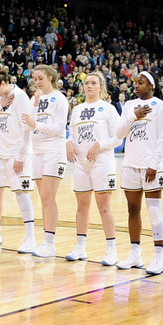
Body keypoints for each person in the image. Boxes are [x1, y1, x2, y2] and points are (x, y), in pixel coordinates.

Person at [113, 71, 163, 274]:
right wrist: (132, 116)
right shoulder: (129, 105)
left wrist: (155, 164)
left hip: (150, 165)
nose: (136, 85)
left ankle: (158, 257)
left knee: (153, 210)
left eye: (141, 82)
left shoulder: (160, 106)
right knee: (132, 210)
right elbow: (119, 134)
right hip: (130, 163)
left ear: (151, 85)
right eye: (135, 82)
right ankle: (135, 254)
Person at [64, 71, 122, 263]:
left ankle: (112, 250)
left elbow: (118, 137)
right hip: (81, 163)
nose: (88, 86)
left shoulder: (108, 109)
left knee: (103, 207)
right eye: (86, 83)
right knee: (82, 206)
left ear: (101, 87)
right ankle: (80, 247)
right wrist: (69, 143)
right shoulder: (78, 109)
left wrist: (99, 145)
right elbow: (72, 133)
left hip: (102, 163)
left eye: (93, 83)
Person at [0, 70, 35, 247]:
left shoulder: (20, 96)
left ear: (3, 84)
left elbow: (26, 128)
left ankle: (31, 238)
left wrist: (21, 156)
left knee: (21, 193)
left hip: (16, 154)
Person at [21, 65, 69, 255]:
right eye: (34, 78)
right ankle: (45, 241)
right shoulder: (36, 98)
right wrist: (35, 105)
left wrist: (36, 125)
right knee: (43, 198)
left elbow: (59, 129)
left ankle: (50, 243)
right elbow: (28, 124)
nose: (37, 81)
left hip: (53, 150)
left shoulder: (60, 99)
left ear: (50, 78)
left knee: (48, 196)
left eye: (40, 78)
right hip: (38, 150)